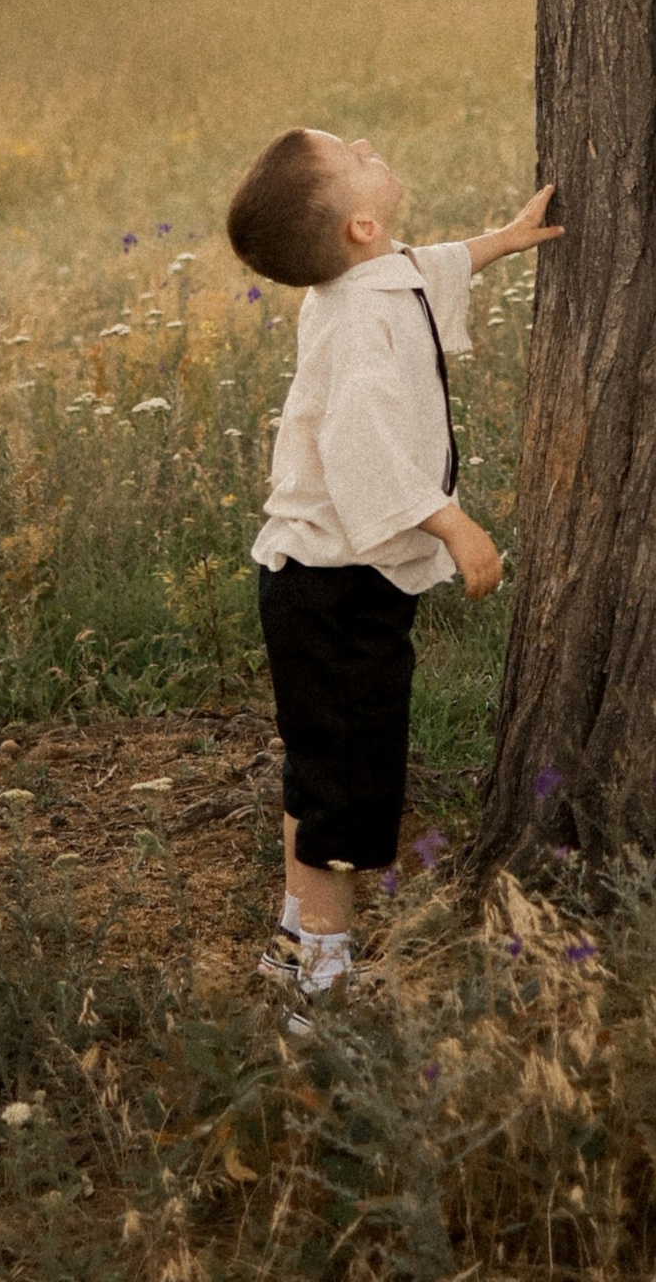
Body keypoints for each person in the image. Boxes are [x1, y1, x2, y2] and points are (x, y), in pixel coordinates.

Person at [227, 123, 559, 1010]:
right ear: (360, 231)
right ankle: (324, 983)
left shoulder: (367, 282)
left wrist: (506, 240)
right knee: (347, 784)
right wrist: (456, 526)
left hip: (312, 580)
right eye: (356, 155)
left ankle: (296, 939)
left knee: (320, 765)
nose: (373, 146)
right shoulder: (361, 322)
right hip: (337, 592)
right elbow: (362, 451)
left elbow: (428, 268)